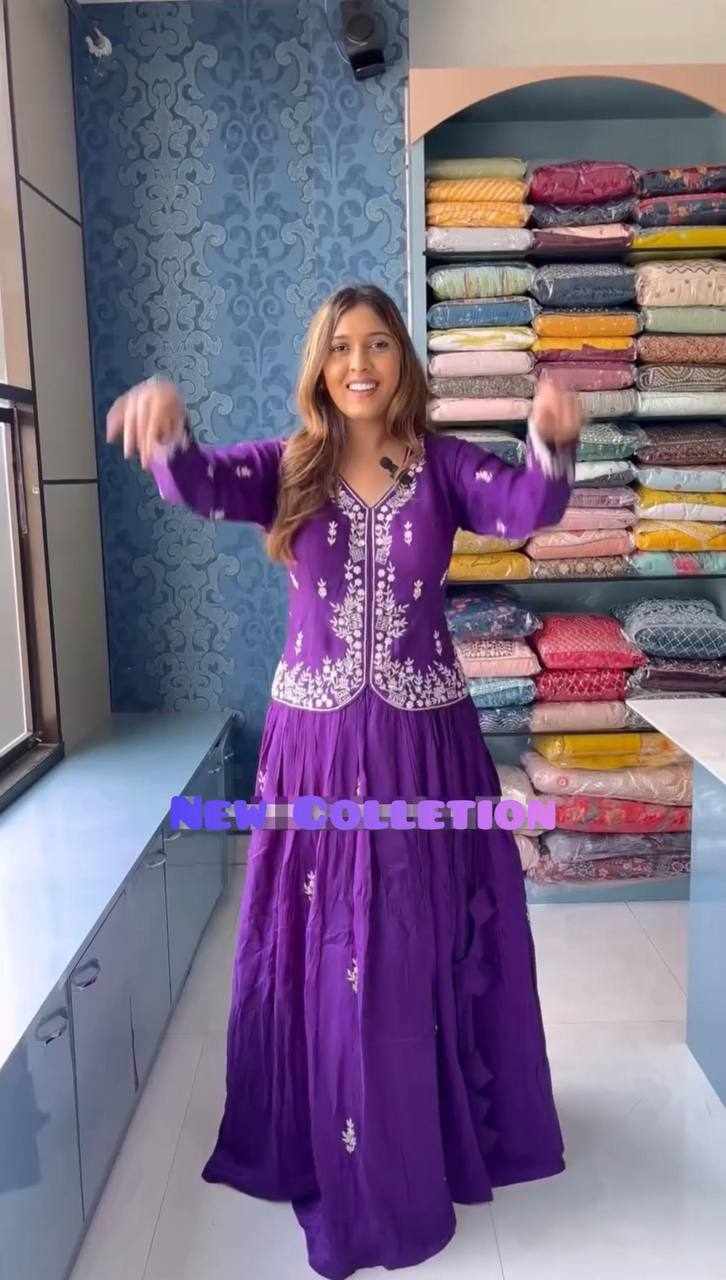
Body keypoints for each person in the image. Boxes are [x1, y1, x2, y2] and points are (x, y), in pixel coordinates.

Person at [107, 283, 582, 1280]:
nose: (358, 364)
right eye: (340, 348)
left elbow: (526, 507)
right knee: (326, 940)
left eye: (377, 345)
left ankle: (419, 1138)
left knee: (410, 938)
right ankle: (332, 1134)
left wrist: (550, 441)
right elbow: (199, 484)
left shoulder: (444, 465)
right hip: (316, 749)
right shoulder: (290, 467)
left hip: (423, 746)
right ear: (319, 366)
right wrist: (169, 430)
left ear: (402, 359)